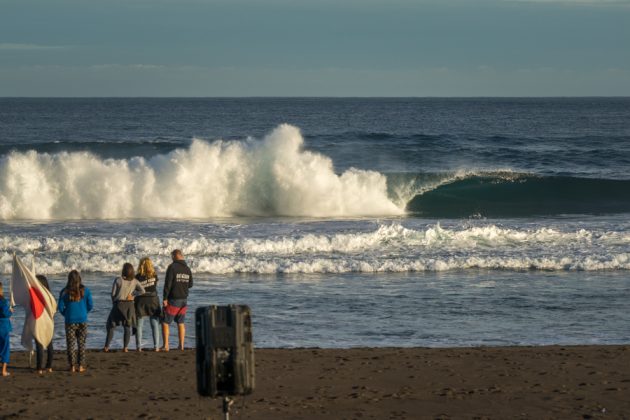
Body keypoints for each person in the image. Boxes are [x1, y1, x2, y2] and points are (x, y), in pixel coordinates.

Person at [104, 263, 145, 352]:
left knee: (111, 326)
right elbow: (143, 291)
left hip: (118, 304)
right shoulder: (135, 281)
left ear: (123, 271)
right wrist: (133, 294)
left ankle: (106, 346)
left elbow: (113, 294)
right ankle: (125, 347)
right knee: (127, 327)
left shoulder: (118, 280)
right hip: (129, 306)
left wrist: (114, 302)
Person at [58, 270, 93, 373]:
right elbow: (90, 305)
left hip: (70, 321)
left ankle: (72, 366)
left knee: (70, 344)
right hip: (83, 320)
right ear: (79, 279)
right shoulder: (85, 290)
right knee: (81, 344)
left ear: (69, 279)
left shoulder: (64, 291)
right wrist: (84, 312)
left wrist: (66, 314)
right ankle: (81, 366)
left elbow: (60, 307)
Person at [162, 249, 193, 351]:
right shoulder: (187, 269)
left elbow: (168, 284)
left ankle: (166, 345)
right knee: (180, 322)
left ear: (175, 256)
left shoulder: (172, 267)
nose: (171, 259)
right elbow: (190, 284)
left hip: (174, 299)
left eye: (172, 256)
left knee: (165, 322)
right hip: (184, 299)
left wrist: (165, 298)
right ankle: (181, 345)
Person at [134, 257, 161, 352]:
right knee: (154, 324)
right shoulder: (154, 275)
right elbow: (154, 286)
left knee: (139, 324)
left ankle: (138, 347)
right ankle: (156, 347)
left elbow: (136, 290)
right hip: (153, 300)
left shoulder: (137, 277)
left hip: (141, 300)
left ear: (141, 265)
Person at [35, 274, 54, 374]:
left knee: (39, 345)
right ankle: (49, 366)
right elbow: (53, 309)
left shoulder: (36, 296)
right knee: (49, 344)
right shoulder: (49, 296)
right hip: (48, 323)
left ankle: (39, 368)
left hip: (39, 322)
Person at [0, 282, 13, 377]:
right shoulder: (3, 301)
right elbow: (6, 314)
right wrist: (10, 311)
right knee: (5, 348)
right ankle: (3, 371)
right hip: (3, 327)